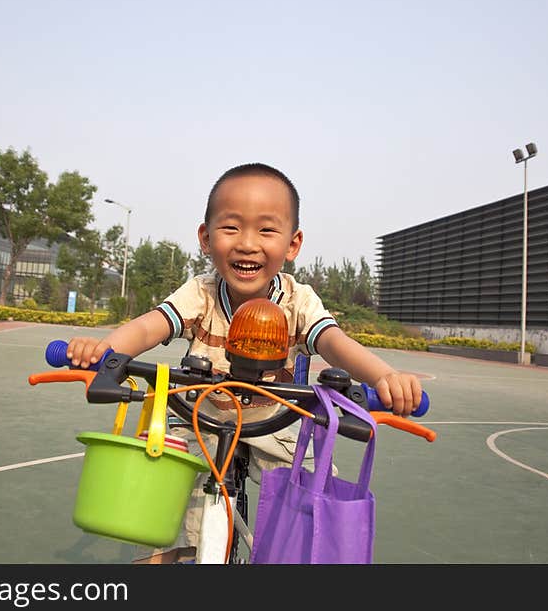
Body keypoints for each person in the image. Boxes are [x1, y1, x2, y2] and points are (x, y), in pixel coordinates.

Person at [66, 162, 423, 562]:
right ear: (205, 237)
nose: (247, 243)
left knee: (312, 507)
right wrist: (107, 353)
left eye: (267, 230)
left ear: (292, 244)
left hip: (279, 421)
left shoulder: (298, 300)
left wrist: (385, 376)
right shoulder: (198, 293)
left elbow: (334, 343)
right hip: (200, 415)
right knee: (162, 495)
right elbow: (149, 327)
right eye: (231, 227)